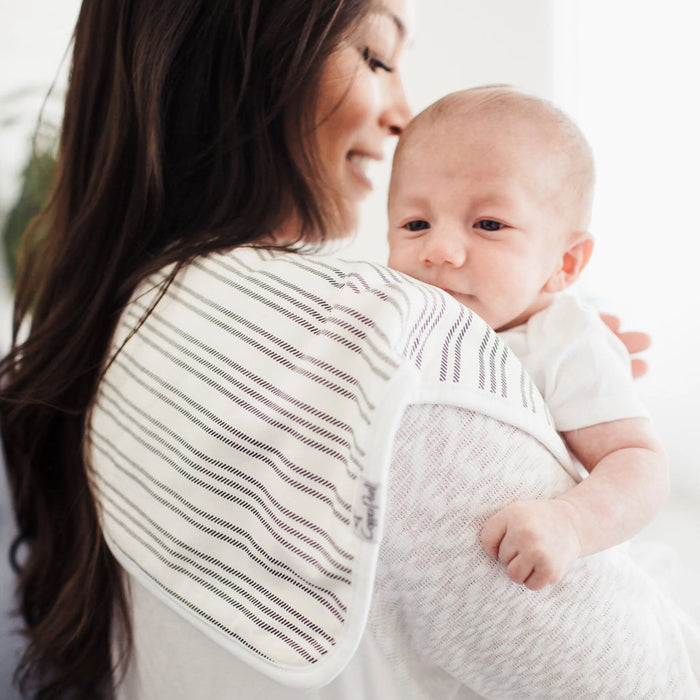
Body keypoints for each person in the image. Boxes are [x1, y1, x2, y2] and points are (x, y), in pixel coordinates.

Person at [1, 1, 698, 699]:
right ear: (241, 61)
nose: (403, 111)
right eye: (374, 57)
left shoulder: (137, 318)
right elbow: (646, 683)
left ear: (565, 263)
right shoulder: (404, 358)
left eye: (489, 223)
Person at [386, 85, 668, 590]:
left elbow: (639, 463)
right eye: (416, 223)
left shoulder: (565, 342)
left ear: (563, 264)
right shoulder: (400, 318)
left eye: (488, 224)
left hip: (557, 567)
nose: (440, 250)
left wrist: (572, 523)